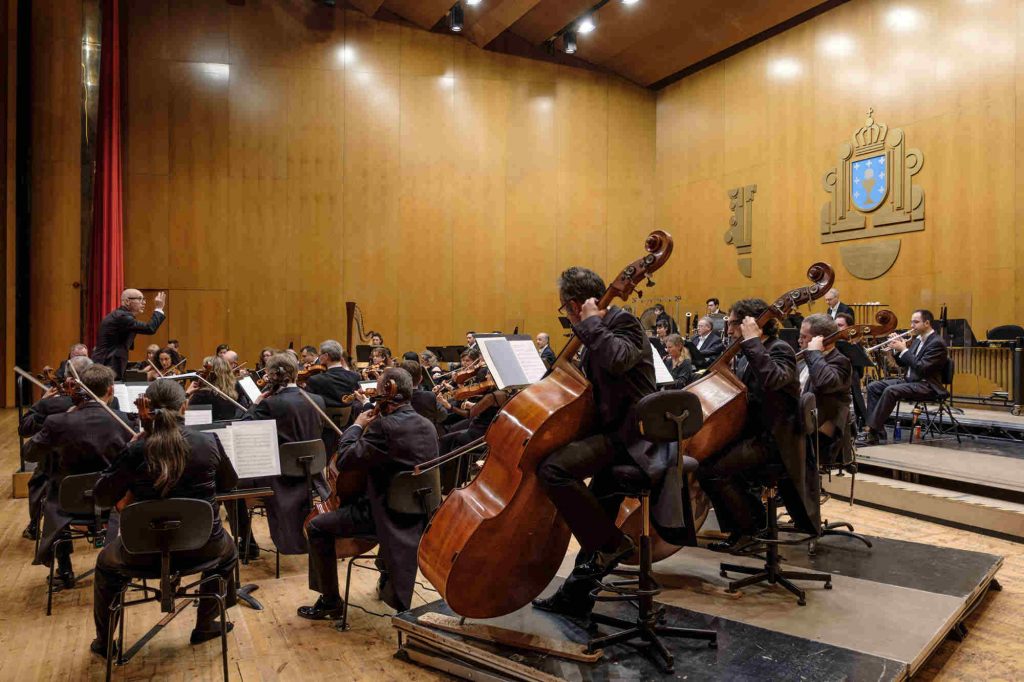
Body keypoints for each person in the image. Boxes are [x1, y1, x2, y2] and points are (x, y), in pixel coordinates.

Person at [533, 266, 689, 619]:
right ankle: (577, 595)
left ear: (574, 306)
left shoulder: (624, 323)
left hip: (636, 439)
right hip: (617, 433)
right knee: (597, 512)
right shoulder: (600, 330)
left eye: (564, 309)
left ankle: (613, 545)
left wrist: (591, 324)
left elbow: (618, 360)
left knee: (554, 469)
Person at [91, 379, 238, 656]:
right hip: (203, 546)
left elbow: (102, 497)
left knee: (106, 565)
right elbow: (229, 483)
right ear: (184, 406)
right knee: (228, 552)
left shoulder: (136, 449)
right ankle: (206, 623)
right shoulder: (207, 441)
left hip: (141, 553)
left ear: (150, 408)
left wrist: (134, 444)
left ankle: (104, 642)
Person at [299, 367, 439, 618]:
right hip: (417, 515)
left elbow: (344, 460)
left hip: (382, 515)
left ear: (388, 391)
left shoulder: (384, 427)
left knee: (316, 527)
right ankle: (385, 573)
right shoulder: (427, 425)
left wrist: (356, 425)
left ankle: (330, 602)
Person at [697, 298, 817, 551]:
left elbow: (774, 380)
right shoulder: (747, 352)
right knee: (707, 462)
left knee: (713, 470)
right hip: (753, 433)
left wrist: (752, 342)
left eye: (733, 324)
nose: (728, 330)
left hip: (775, 440)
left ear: (752, 323)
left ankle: (747, 532)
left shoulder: (778, 348)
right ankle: (752, 526)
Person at [23, 365, 137, 586]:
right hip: (113, 501)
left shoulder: (57, 422)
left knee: (54, 491)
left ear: (79, 389)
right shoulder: (124, 421)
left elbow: (29, 453)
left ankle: (64, 570)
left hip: (68, 503)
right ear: (111, 390)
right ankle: (121, 563)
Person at [237, 353, 326, 556]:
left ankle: (247, 546)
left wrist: (256, 403)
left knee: (231, 489)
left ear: (274, 376)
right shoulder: (317, 400)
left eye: (268, 375)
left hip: (280, 475)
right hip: (312, 473)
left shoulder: (270, 404)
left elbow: (243, 429)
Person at [19, 355, 94, 541]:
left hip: (59, 470)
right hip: (95, 467)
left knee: (38, 480)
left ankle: (34, 525)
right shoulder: (107, 403)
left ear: (69, 379)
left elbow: (24, 428)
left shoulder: (50, 405)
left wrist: (41, 403)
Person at [858, 310, 948, 446]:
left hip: (926, 384)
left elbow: (922, 368)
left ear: (927, 323)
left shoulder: (937, 343)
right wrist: (896, 349)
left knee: (891, 390)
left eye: (916, 322)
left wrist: (904, 350)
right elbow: (903, 363)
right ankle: (878, 431)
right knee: (873, 386)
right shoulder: (918, 340)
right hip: (911, 381)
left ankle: (871, 430)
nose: (912, 325)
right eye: (911, 322)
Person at [798, 314, 853, 462]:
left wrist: (815, 353)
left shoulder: (840, 362)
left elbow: (825, 382)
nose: (799, 341)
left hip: (820, 433)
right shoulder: (805, 359)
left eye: (803, 337)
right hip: (801, 423)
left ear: (820, 339)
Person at [92, 289, 167, 380]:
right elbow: (150, 328)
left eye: (144, 299)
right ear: (127, 301)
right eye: (140, 299)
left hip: (108, 361)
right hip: (109, 363)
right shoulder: (122, 317)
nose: (143, 302)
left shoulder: (120, 315)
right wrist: (159, 309)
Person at [186, 355, 248, 421]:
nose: (202, 372)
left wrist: (187, 394)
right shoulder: (232, 392)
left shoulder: (202, 395)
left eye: (204, 368)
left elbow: (186, 418)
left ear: (211, 374)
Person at [304, 340, 360, 408]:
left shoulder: (315, 380)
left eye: (319, 355)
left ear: (326, 356)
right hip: (350, 418)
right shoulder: (355, 376)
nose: (319, 357)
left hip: (323, 417)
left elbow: (308, 405)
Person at [401, 360, 447, 436]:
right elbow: (443, 415)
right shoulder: (429, 396)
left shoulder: (395, 396)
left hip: (402, 437)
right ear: (421, 379)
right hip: (428, 435)